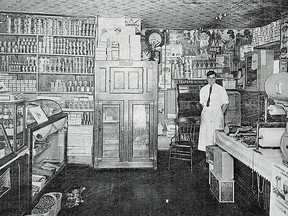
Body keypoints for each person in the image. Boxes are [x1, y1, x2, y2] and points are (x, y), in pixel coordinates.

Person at [198, 71, 229, 153]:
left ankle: (217, 156)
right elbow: (202, 103)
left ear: (216, 78)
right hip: (207, 112)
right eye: (209, 78)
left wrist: (220, 113)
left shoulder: (221, 89)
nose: (211, 80)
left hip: (217, 112)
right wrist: (206, 110)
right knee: (206, 135)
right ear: (207, 79)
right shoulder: (203, 89)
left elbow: (225, 103)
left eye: (213, 78)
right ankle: (207, 155)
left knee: (216, 135)